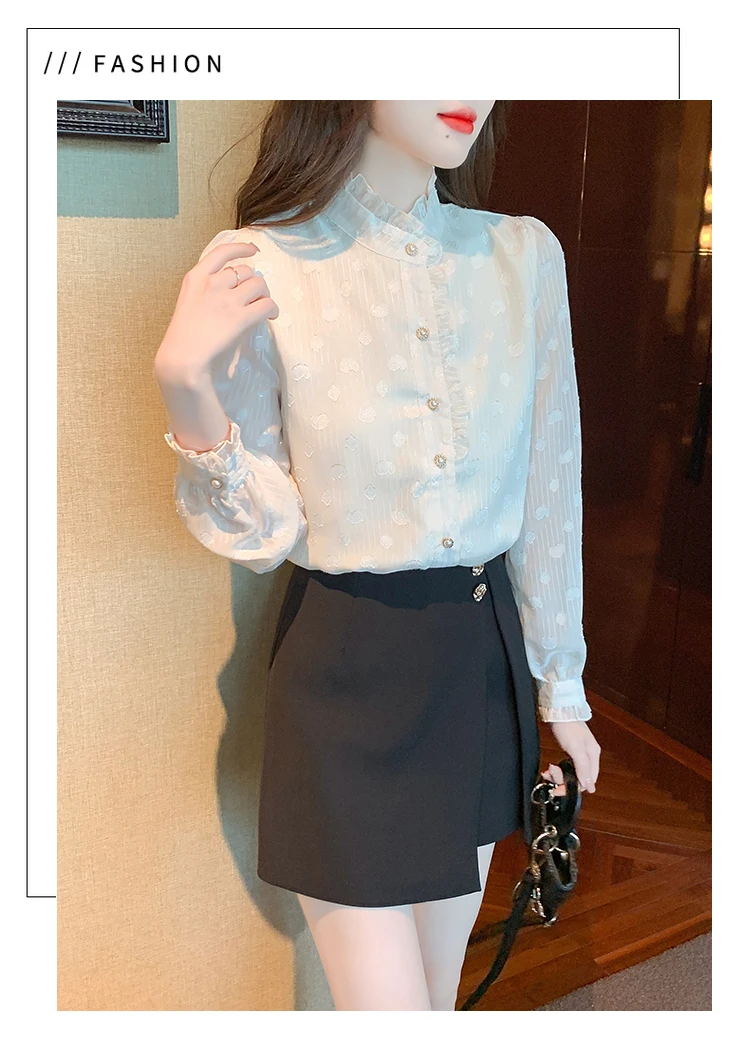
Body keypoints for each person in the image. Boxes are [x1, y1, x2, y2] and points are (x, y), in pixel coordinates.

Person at [153, 100, 601, 1011]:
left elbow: (551, 488)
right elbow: (264, 534)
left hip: (480, 663)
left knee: (435, 997)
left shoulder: (522, 257)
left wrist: (563, 688)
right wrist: (186, 388)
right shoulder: (263, 264)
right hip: (346, 672)